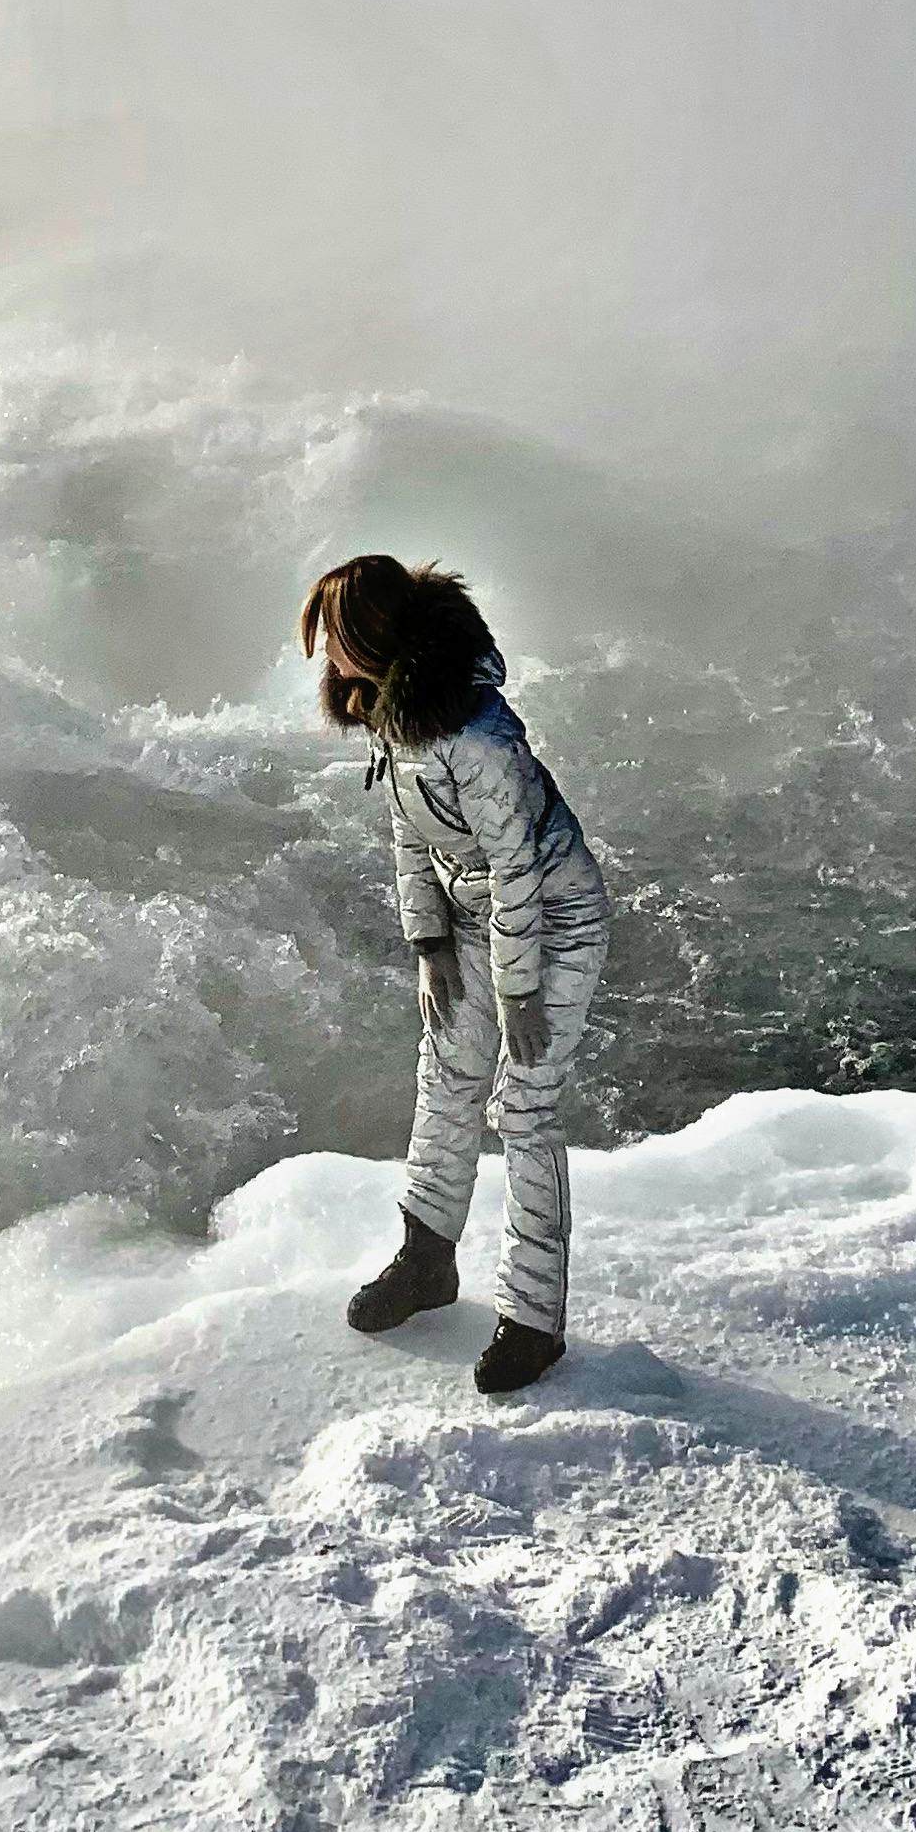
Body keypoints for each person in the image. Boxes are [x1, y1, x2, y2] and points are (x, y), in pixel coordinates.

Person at [304, 551, 610, 1394]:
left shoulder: (477, 739)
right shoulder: (393, 719)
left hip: (553, 923)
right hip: (475, 919)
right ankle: (425, 1261)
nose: (323, 653)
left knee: (524, 1107)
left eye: (330, 634)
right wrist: (429, 943)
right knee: (445, 1083)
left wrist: (516, 985)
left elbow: (516, 864)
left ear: (368, 634)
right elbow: (412, 834)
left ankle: (534, 1319)